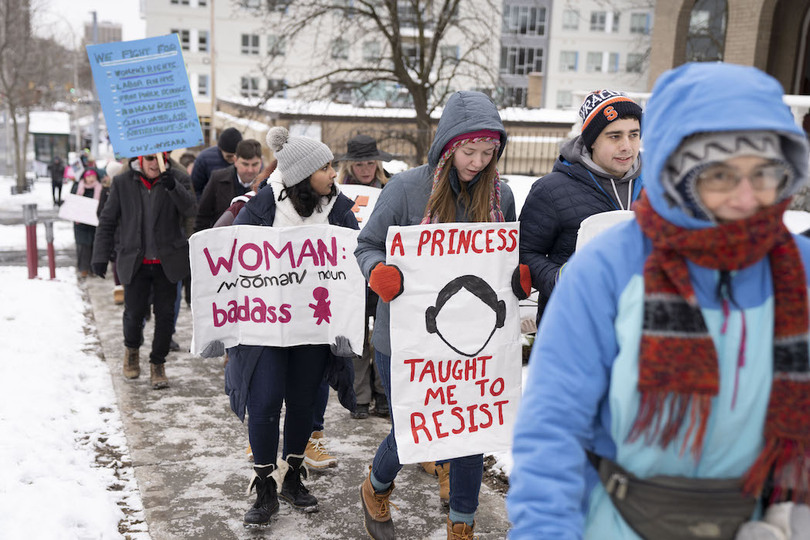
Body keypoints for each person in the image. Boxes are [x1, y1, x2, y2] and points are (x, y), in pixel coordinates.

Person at [506, 62, 810, 539]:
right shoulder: (608, 269)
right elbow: (554, 430)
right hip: (622, 521)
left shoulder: (800, 272)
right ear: (678, 170)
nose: (745, 196)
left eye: (764, 171)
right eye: (720, 173)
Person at [354, 90, 530, 540]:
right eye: (469, 151)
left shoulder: (501, 196)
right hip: (408, 341)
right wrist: (380, 271)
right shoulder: (406, 189)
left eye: (488, 152)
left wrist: (517, 279)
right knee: (413, 429)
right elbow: (367, 244)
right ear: (449, 146)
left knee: (470, 430)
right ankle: (375, 486)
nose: (477, 161)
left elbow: (502, 261)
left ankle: (462, 525)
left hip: (476, 342)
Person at [227, 126, 359, 528]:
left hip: (313, 327)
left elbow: (355, 256)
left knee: (305, 404)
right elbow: (230, 256)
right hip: (266, 329)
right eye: (326, 167)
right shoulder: (262, 207)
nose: (334, 173)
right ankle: (265, 484)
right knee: (264, 404)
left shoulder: (337, 208)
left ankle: (294, 477)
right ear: (303, 173)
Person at [519, 89, 642, 327]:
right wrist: (560, 278)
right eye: (615, 136)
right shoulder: (551, 190)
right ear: (592, 140)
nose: (627, 146)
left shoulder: (657, 186)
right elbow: (523, 253)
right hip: (570, 327)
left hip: (639, 330)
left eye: (634, 135)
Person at [92, 153, 197, 390]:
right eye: (149, 158)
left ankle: (158, 363)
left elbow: (191, 209)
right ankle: (131, 349)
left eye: (159, 158)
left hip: (167, 262)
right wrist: (99, 256)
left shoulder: (178, 179)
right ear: (140, 159)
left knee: (166, 316)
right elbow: (107, 221)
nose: (154, 164)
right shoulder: (123, 182)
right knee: (134, 314)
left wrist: (174, 188)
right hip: (135, 262)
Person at [337, 134, 393, 420]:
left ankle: (383, 393)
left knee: (384, 336)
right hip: (350, 276)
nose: (366, 169)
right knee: (356, 338)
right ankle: (359, 397)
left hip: (382, 270)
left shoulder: (390, 187)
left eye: (371, 163)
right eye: (360, 164)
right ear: (350, 165)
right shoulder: (336, 191)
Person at [194, 139, 263, 232]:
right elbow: (203, 216)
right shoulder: (217, 178)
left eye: (255, 164)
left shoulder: (267, 184)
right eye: (245, 164)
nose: (250, 170)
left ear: (261, 162)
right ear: (235, 161)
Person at [191, 127, 243, 199]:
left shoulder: (247, 160)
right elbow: (195, 190)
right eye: (229, 156)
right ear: (220, 149)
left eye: (236, 157)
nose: (234, 160)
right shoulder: (204, 159)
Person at [70, 167, 102, 278]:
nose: (91, 179)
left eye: (93, 176)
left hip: (95, 222)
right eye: (88, 176)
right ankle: (83, 268)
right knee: (83, 247)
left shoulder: (100, 188)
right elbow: (71, 202)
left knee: (94, 245)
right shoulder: (77, 187)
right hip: (81, 224)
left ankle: (93, 269)